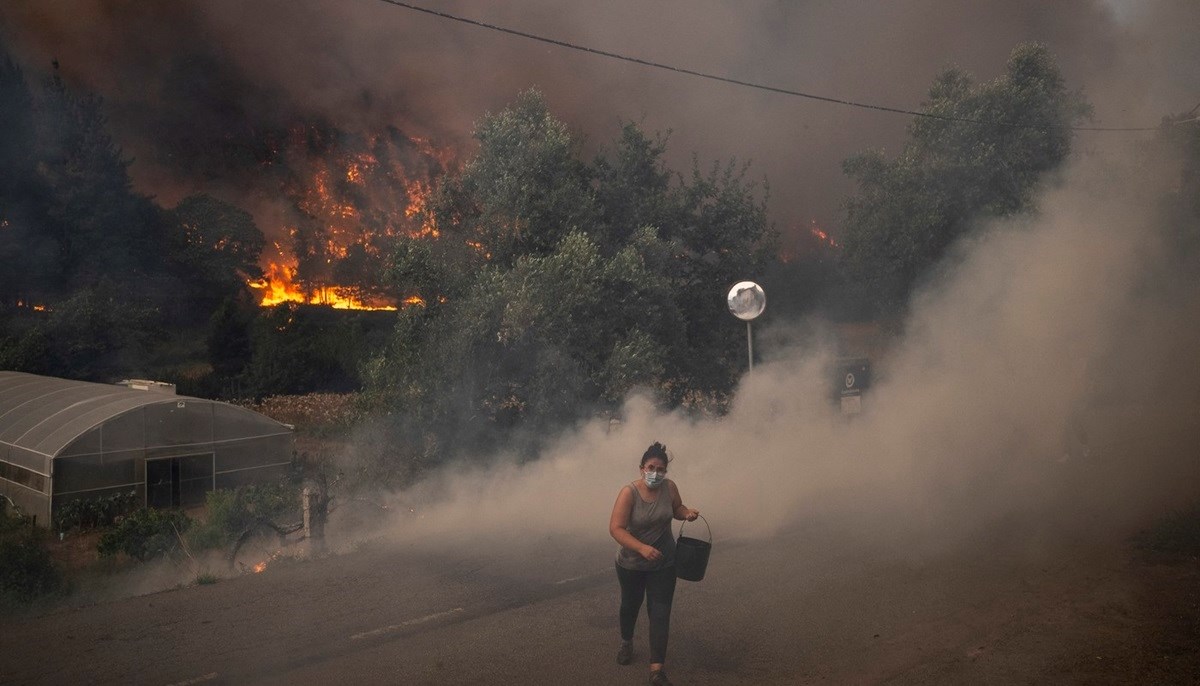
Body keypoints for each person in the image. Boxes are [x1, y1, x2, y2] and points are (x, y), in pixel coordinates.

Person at [609, 442, 700, 686]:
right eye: (651, 467)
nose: (656, 473)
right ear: (641, 469)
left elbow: (676, 508)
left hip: (664, 562)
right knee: (630, 604)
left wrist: (687, 513)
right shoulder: (629, 493)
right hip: (631, 564)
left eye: (661, 469)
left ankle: (656, 670)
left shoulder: (669, 488)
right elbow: (615, 529)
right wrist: (641, 548)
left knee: (660, 612)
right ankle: (626, 642)